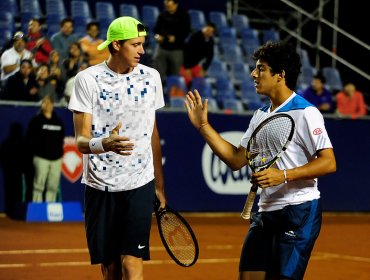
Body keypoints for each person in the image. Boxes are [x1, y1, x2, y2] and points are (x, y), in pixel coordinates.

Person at [185, 41, 336, 280]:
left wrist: (283, 175)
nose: (253, 74)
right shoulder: (260, 115)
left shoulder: (307, 112)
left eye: (261, 68)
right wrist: (203, 126)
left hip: (299, 210)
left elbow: (328, 162)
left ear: (280, 75)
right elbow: (236, 159)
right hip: (266, 212)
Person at [68, 16, 166, 280]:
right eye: (135, 45)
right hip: (100, 185)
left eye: (142, 44)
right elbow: (81, 141)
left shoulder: (151, 77)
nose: (142, 51)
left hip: (139, 183)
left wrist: (159, 185)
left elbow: (152, 133)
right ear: (115, 46)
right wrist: (104, 144)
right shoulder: (87, 80)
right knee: (110, 269)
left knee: (132, 263)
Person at [26, 95, 65, 202]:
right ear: (42, 105)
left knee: (53, 186)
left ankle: (50, 209)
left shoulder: (58, 121)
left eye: (50, 103)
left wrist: (59, 154)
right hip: (41, 158)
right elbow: (30, 139)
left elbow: (61, 138)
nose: (48, 105)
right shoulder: (36, 121)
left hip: (56, 159)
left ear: (53, 105)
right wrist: (37, 152)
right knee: (39, 186)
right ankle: (37, 209)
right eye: (45, 102)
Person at [153, 0, 191, 83]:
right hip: (162, 48)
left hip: (176, 50)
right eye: (166, 6)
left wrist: (176, 38)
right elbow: (156, 30)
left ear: (176, 4)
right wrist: (157, 37)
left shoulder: (184, 16)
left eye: (170, 6)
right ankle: (159, 92)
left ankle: (174, 93)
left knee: (175, 75)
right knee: (158, 74)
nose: (168, 8)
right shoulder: (162, 15)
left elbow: (187, 31)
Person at [180, 22, 216, 87]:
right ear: (204, 29)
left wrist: (204, 69)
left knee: (201, 82)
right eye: (207, 30)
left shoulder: (211, 41)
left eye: (211, 31)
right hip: (184, 64)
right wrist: (187, 68)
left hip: (195, 65)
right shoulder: (195, 37)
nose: (208, 32)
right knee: (187, 82)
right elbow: (187, 52)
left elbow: (210, 56)